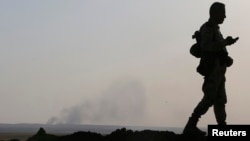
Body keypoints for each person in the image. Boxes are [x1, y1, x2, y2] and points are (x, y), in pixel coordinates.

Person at [183, 2, 239, 135]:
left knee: (220, 100)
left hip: (219, 71)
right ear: (215, 13)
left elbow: (217, 49)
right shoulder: (208, 28)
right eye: (222, 13)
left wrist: (226, 58)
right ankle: (191, 125)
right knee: (209, 98)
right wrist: (225, 42)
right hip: (212, 70)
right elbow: (207, 46)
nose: (225, 16)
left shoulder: (216, 29)